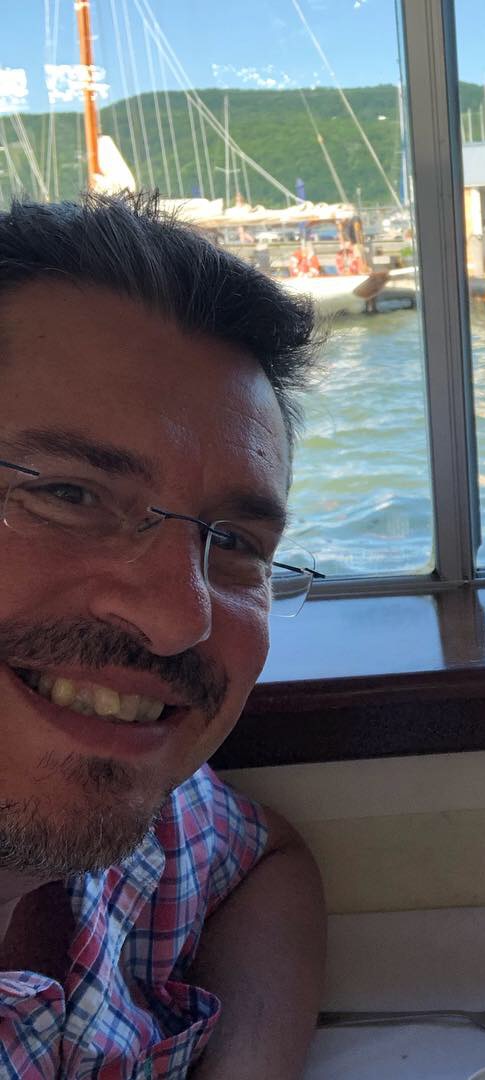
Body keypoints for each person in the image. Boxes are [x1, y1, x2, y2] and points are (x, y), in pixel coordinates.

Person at [0, 193, 327, 1078]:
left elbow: (263, 860)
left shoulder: (135, 824)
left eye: (236, 543)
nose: (180, 618)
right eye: (68, 494)